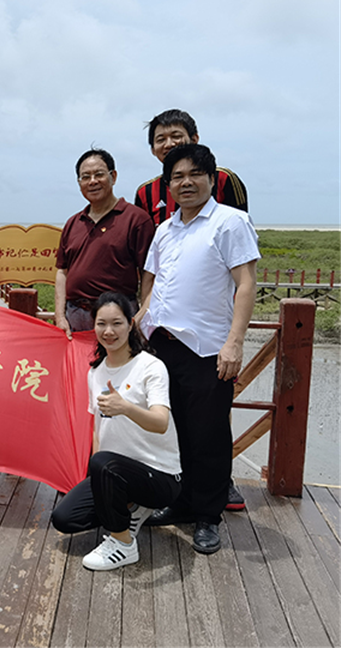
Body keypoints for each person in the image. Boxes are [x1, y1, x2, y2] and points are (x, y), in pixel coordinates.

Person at [138, 144, 259, 554]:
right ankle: (182, 503)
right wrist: (139, 321)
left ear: (211, 178)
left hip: (207, 348)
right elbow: (154, 283)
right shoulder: (165, 229)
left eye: (195, 174)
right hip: (162, 347)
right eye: (177, 177)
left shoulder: (230, 222)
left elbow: (246, 284)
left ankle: (208, 515)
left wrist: (234, 342)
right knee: (175, 432)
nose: (186, 183)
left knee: (208, 435)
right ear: (168, 185)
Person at [51, 292, 182, 570]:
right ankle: (130, 507)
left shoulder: (151, 366)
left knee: (103, 463)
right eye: (101, 324)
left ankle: (123, 544)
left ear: (131, 324)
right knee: (64, 518)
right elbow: (98, 430)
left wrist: (125, 407)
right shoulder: (96, 372)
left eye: (117, 323)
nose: (108, 331)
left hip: (159, 475)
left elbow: (161, 422)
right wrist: (97, 482)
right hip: (114, 472)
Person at [54, 149, 155, 337]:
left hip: (117, 317)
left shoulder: (137, 220)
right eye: (85, 177)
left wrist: (142, 315)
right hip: (75, 316)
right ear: (79, 183)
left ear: (113, 176)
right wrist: (60, 317)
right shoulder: (73, 223)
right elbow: (62, 272)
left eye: (99, 174)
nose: (92, 181)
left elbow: (149, 273)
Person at [134, 109, 248, 226]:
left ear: (194, 139)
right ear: (153, 149)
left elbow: (239, 225)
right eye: (161, 139)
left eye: (176, 136)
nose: (169, 144)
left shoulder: (223, 178)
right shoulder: (146, 192)